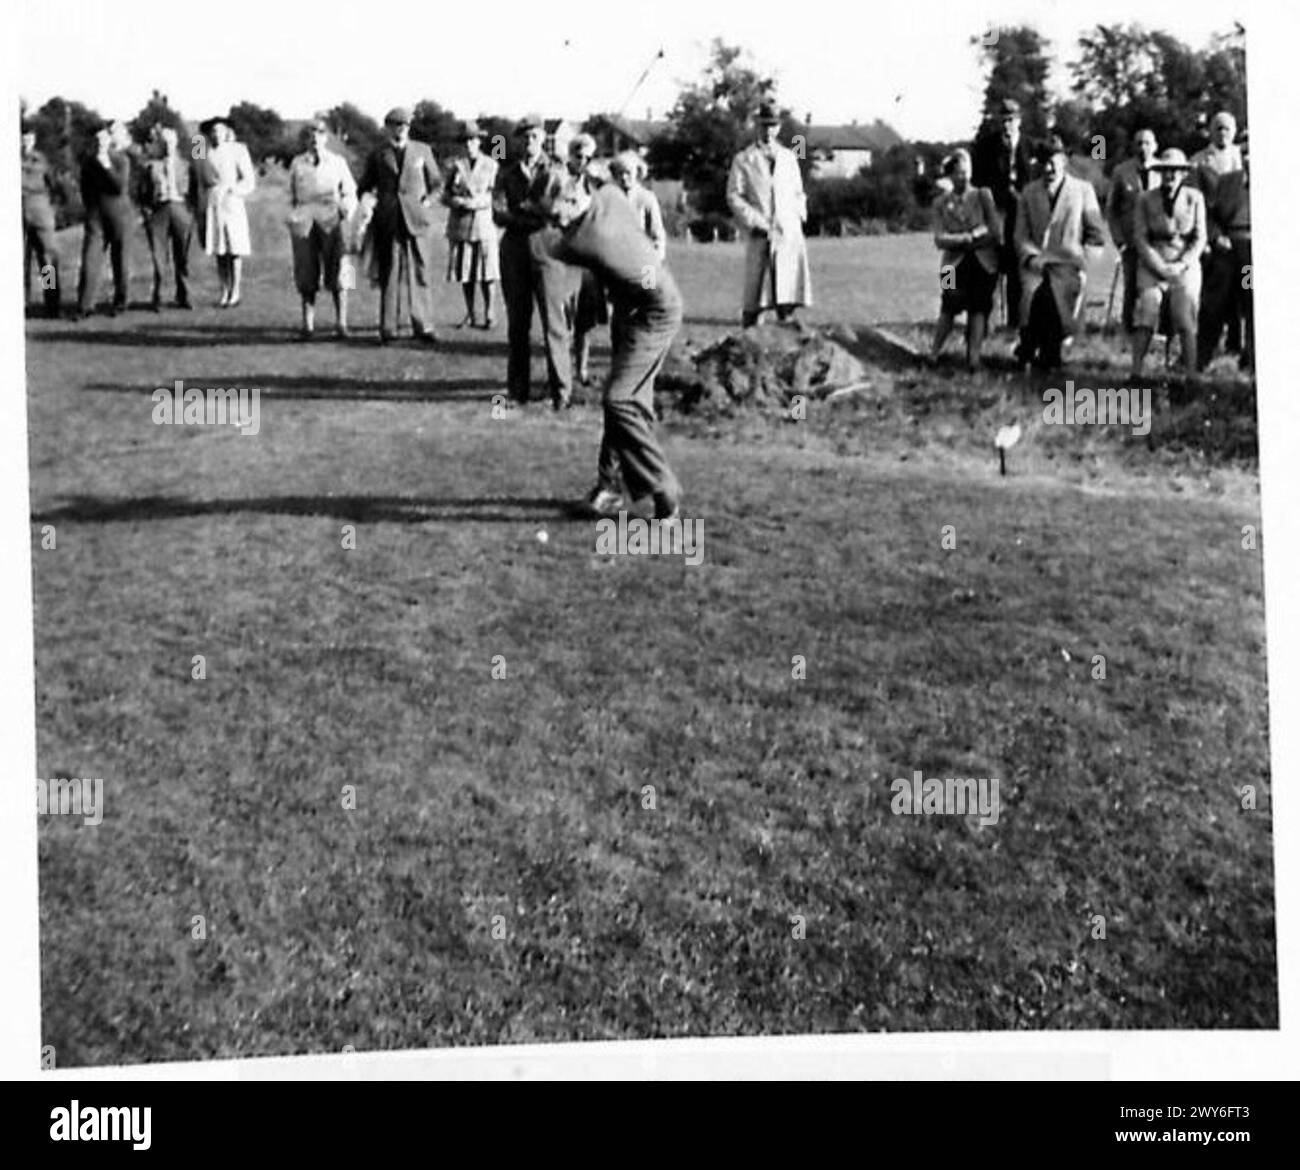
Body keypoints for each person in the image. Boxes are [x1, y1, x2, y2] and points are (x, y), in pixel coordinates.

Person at [544, 179, 682, 520]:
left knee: (619, 400)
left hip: (653, 313)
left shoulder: (588, 240)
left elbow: (553, 248)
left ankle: (665, 490)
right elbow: (605, 187)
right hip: (638, 303)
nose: (556, 222)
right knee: (629, 403)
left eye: (557, 214)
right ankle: (610, 489)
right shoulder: (609, 195)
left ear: (575, 198)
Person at [492, 114, 575, 407]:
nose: (529, 142)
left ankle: (561, 391)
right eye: (524, 137)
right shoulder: (507, 173)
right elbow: (498, 212)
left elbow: (560, 209)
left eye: (535, 136)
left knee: (554, 323)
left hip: (547, 249)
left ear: (543, 138)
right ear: (518, 140)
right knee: (517, 324)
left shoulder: (556, 171)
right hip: (514, 250)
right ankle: (517, 390)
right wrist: (531, 215)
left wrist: (534, 211)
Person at [1013, 136, 1107, 371]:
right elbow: (1020, 235)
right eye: (1044, 162)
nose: (1049, 168)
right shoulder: (1029, 192)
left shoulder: (1082, 190)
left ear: (1064, 161)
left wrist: (1083, 262)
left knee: (1055, 292)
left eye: (1054, 161)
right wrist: (1031, 257)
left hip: (1069, 264)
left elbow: (1096, 235)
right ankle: (1041, 350)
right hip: (1037, 262)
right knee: (1034, 292)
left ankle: (1037, 347)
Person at [358, 107, 441, 344]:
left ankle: (423, 325)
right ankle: (388, 328)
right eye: (395, 124)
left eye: (404, 124)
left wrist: (428, 201)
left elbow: (437, 184)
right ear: (387, 127)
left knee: (421, 272)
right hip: (389, 220)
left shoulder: (422, 151)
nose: (400, 128)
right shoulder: (378, 154)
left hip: (417, 219)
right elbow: (364, 185)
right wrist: (369, 201)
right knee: (390, 273)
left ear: (409, 127)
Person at [726, 102, 812, 327]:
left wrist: (798, 217)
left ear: (779, 127)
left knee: (788, 294)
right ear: (757, 126)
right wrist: (756, 221)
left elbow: (798, 191)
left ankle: (788, 339)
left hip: (787, 233)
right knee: (756, 296)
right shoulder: (744, 159)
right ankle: (749, 344)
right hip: (760, 232)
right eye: (764, 126)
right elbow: (734, 195)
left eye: (773, 126)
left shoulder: (788, 157)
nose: (768, 131)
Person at [1130, 148, 1206, 377]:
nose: (1170, 176)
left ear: (1183, 174)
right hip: (1153, 264)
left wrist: (1182, 264)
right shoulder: (1146, 199)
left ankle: (1191, 375)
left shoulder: (1194, 198)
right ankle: (1136, 373)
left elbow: (1199, 237)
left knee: (1184, 314)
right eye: (1165, 171)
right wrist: (1159, 266)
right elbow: (1140, 237)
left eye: (1175, 172)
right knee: (1147, 309)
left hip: (1184, 265)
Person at [929, 149, 1000, 370]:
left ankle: (974, 358)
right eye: (957, 173)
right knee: (948, 304)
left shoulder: (982, 196)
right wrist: (967, 237)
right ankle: (934, 353)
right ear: (949, 175)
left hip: (983, 262)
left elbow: (994, 230)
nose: (963, 177)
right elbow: (940, 239)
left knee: (978, 307)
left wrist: (975, 238)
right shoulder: (940, 203)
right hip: (951, 265)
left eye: (966, 172)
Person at [287, 117, 358, 338]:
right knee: (306, 271)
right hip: (305, 217)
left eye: (318, 134)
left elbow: (350, 191)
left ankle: (342, 323)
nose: (314, 139)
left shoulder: (337, 162)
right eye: (310, 135)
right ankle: (308, 324)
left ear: (325, 137)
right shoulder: (298, 163)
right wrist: (293, 216)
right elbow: (289, 194)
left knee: (340, 269)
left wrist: (344, 210)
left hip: (332, 217)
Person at [973, 98, 1034, 328]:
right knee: (992, 266)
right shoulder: (988, 146)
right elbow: (978, 180)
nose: (1007, 125)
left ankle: (1015, 323)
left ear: (1019, 121)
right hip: (996, 211)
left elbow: (1053, 161)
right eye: (1004, 120)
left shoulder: (1030, 145)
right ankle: (986, 322)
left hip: (1021, 213)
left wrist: (1098, 147)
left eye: (1011, 120)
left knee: (1017, 266)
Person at [1198, 141, 1251, 372]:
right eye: (1247, 152)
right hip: (1228, 248)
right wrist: (1216, 235)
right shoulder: (1229, 181)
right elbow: (1210, 215)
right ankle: (1201, 359)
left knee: (1252, 303)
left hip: (1253, 252)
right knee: (1214, 303)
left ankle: (1251, 359)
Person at [443, 120, 500, 329]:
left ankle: (490, 312)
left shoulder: (491, 164)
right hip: (461, 225)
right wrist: (453, 200)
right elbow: (445, 194)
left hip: (483, 224)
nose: (469, 144)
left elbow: (492, 195)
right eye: (465, 141)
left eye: (472, 140)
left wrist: (472, 202)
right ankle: (470, 313)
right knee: (466, 272)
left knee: (487, 272)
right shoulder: (456, 166)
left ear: (479, 142)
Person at [193, 117, 255, 307]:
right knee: (219, 250)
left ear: (227, 131)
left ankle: (236, 291)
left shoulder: (238, 149)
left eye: (219, 130)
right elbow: (199, 179)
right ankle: (224, 290)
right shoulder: (202, 150)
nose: (216, 134)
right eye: (212, 131)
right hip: (212, 202)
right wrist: (200, 205)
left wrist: (234, 190)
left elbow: (249, 180)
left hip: (232, 202)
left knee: (234, 248)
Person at [1104, 128, 1160, 334]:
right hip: (1131, 239)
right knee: (1131, 285)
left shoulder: (1164, 170)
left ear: (1155, 146)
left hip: (1157, 241)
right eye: (1138, 143)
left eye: (1147, 143)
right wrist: (1118, 239)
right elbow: (1111, 209)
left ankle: (1155, 327)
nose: (1143, 148)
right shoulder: (1122, 171)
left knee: (1155, 285)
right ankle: (1128, 329)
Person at [75, 120, 133, 318]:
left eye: (103, 138)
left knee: (121, 261)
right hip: (95, 217)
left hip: (120, 216)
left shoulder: (121, 160)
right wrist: (90, 210)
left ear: (109, 140)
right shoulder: (88, 163)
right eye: (96, 139)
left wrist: (106, 165)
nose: (100, 142)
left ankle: (120, 302)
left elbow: (119, 186)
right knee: (90, 261)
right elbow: (84, 189)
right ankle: (84, 306)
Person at [565, 133, 608, 387]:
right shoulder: (563, 181)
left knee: (586, 320)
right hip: (566, 256)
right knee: (565, 317)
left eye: (587, 157)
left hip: (590, 261)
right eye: (578, 156)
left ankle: (581, 369)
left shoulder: (596, 186)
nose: (582, 161)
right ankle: (562, 372)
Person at [137, 124, 194, 311]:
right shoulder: (151, 167)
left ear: (176, 143)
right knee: (159, 258)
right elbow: (141, 193)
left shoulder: (185, 166)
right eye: (165, 143)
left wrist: (191, 212)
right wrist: (146, 213)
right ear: (160, 144)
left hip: (179, 209)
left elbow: (194, 192)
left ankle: (183, 295)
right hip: (159, 211)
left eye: (171, 142)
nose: (168, 146)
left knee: (182, 256)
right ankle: (158, 297)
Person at [21, 123, 62, 318]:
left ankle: (52, 302)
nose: (24, 142)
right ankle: (22, 302)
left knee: (47, 261)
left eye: (28, 138)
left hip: (40, 211)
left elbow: (56, 185)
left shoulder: (41, 160)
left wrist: (51, 207)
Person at [610, 150, 666, 260]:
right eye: (620, 173)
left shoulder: (647, 199)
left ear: (637, 172)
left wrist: (654, 261)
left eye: (628, 172)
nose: (624, 177)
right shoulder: (609, 197)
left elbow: (657, 235)